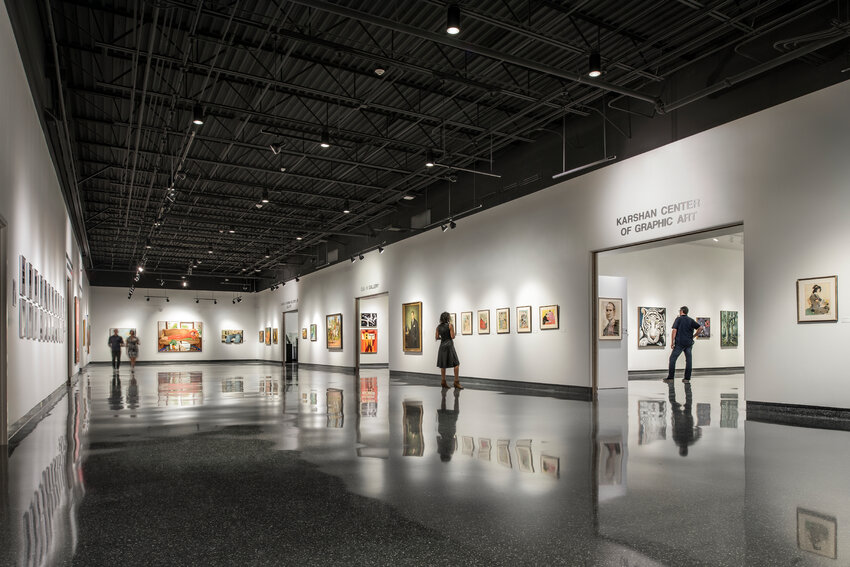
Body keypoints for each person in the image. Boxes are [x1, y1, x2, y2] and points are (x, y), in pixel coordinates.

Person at [664, 306, 702, 382]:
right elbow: (700, 328)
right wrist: (694, 336)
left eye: (679, 310)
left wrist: (672, 342)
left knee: (672, 359)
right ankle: (687, 378)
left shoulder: (678, 319)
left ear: (681, 311)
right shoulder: (690, 320)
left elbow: (674, 331)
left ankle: (671, 378)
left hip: (679, 343)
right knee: (688, 360)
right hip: (688, 343)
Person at [668, 381, 701, 456]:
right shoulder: (687, 441)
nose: (682, 448)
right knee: (683, 403)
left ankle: (684, 387)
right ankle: (678, 387)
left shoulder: (687, 441)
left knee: (688, 402)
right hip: (684, 420)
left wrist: (697, 428)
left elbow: (674, 430)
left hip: (683, 420)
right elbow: (673, 430)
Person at [435, 311, 462, 389]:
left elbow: (436, 337)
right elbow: (452, 336)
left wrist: (442, 338)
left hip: (442, 346)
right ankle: (456, 382)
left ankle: (443, 382)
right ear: (447, 318)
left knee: (443, 365)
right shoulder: (450, 325)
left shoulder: (438, 327)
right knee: (456, 364)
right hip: (449, 346)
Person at [436, 386, 460, 462]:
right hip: (443, 430)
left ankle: (456, 394)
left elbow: (454, 439)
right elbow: (438, 438)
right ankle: (444, 393)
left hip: (450, 431)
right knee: (443, 411)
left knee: (455, 413)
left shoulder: (451, 450)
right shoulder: (440, 450)